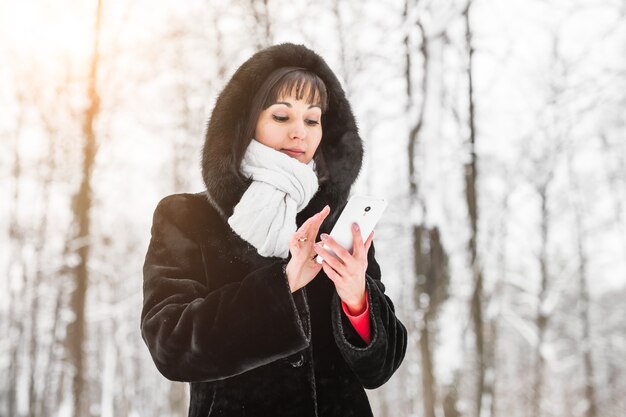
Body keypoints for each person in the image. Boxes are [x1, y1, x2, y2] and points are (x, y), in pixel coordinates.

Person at [141, 43, 407, 417]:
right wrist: (283, 286)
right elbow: (170, 343)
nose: (299, 133)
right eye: (281, 117)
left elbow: (381, 367)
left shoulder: (336, 222)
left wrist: (357, 299)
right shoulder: (186, 216)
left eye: (312, 120)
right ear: (246, 122)